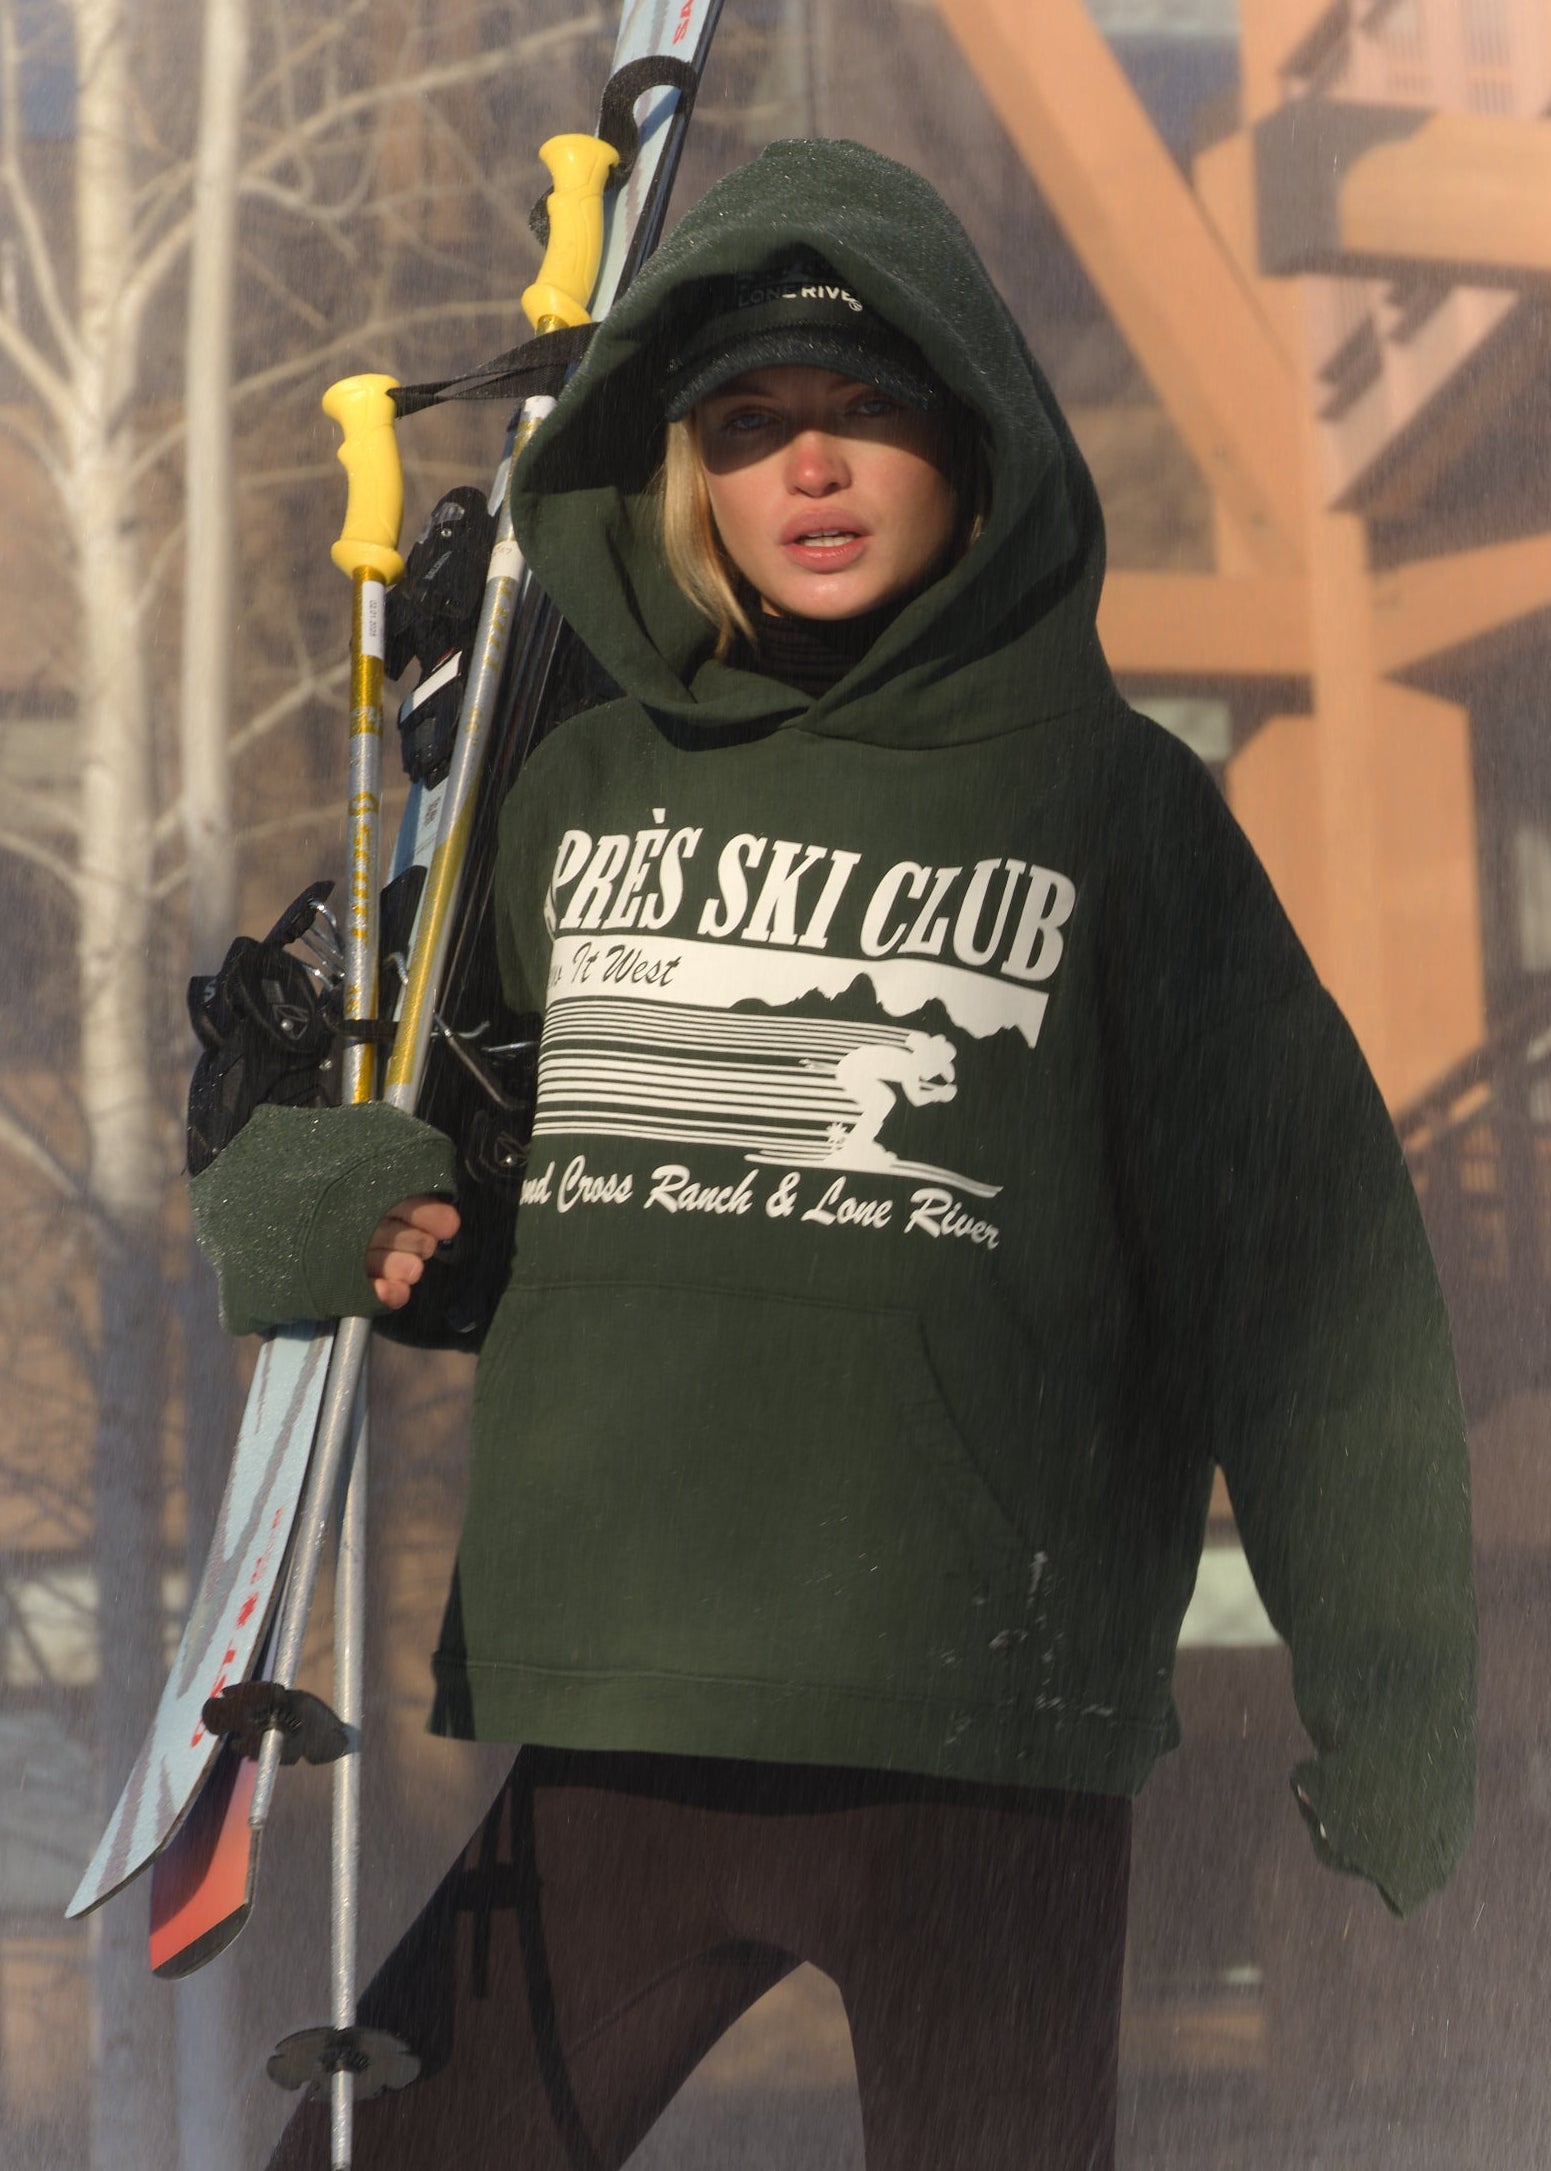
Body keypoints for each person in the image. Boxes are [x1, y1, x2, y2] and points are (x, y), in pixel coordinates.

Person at [192, 139, 1477, 2170]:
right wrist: (313, 1214)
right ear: (680, 475)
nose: (806, 465)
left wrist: (1390, 1688)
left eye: (864, 410)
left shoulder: (1115, 808)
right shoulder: (574, 786)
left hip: (976, 1720)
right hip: (624, 1701)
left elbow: (1311, 1286)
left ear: (975, 444)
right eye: (745, 424)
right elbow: (457, 1179)